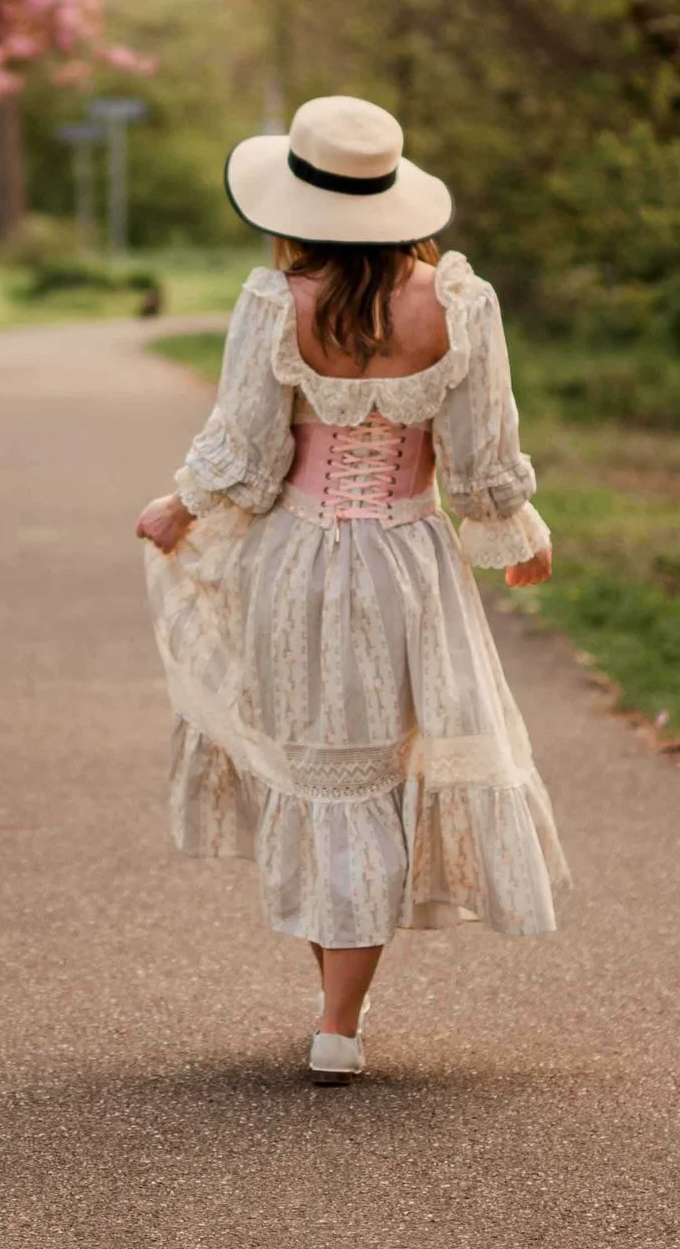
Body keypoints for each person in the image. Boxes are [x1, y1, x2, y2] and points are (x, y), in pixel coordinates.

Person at [135, 94, 568, 1083]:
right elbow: (481, 457)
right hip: (407, 569)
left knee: (322, 779)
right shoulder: (457, 304)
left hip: (292, 563)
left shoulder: (276, 306)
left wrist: (179, 507)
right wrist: (517, 537)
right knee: (371, 778)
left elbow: (243, 452)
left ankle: (335, 1016)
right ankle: (341, 1018)